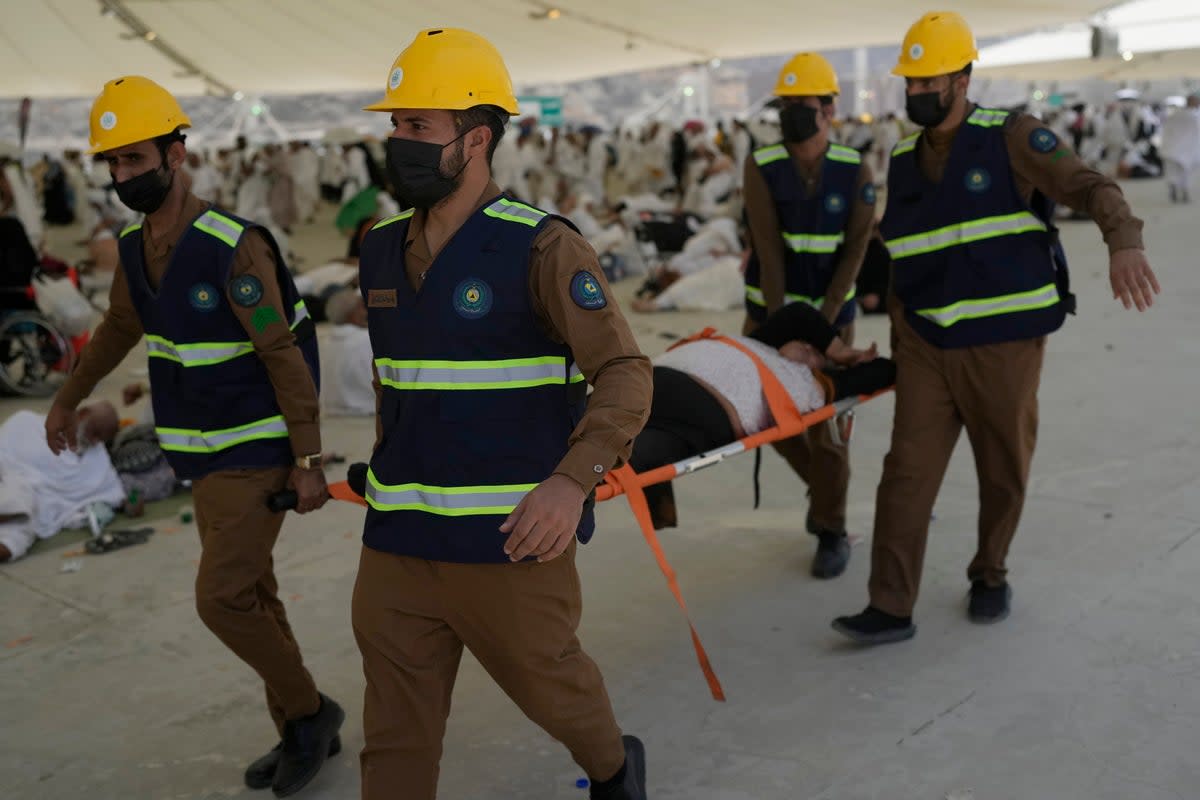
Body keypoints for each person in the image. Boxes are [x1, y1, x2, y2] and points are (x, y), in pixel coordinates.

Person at [353, 28, 653, 800]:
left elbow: (623, 372)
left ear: (475, 138)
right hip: (398, 539)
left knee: (553, 691)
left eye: (417, 127)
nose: (397, 142)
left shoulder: (543, 248)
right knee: (393, 735)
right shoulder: (380, 249)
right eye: (395, 125)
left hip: (510, 539)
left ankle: (616, 770)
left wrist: (571, 483)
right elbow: (399, 385)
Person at [42, 76, 344, 796]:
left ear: (177, 153)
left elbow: (282, 354)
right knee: (254, 593)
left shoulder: (230, 248)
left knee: (221, 600)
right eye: (112, 164)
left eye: (136, 158)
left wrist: (308, 461)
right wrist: (67, 399)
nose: (124, 175)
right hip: (201, 458)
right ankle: (299, 728)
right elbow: (118, 327)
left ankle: (310, 714)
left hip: (255, 451)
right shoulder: (134, 245)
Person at [832, 11, 1161, 644]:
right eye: (912, 82)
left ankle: (990, 572)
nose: (919, 93)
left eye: (932, 81)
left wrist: (1124, 241)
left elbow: (1089, 187)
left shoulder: (1011, 136)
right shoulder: (901, 160)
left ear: (963, 78)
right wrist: (898, 340)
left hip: (1004, 345)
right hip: (927, 345)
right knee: (905, 475)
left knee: (1002, 470)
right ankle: (891, 605)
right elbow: (904, 259)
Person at [741, 51, 876, 579]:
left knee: (827, 430)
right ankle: (824, 493)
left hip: (832, 319)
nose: (794, 112)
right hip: (769, 318)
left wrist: (821, 330)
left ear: (829, 109)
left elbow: (856, 248)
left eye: (805, 103)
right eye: (787, 104)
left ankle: (830, 528)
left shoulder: (853, 168)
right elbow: (768, 252)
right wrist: (784, 332)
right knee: (760, 416)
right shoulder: (763, 165)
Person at [630, 302, 893, 530]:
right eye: (806, 343)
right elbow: (799, 314)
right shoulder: (761, 343)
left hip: (705, 409)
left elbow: (885, 371)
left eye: (813, 353)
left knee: (629, 455)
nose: (806, 348)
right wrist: (838, 350)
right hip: (652, 379)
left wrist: (842, 362)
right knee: (607, 421)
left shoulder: (816, 385)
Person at [0, 402, 124, 563]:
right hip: (10, 487)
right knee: (18, 495)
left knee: (13, 542)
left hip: (37, 511)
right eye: (94, 433)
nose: (94, 442)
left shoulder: (96, 455)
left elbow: (113, 491)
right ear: (82, 414)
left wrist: (130, 503)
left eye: (100, 439)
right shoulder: (26, 424)